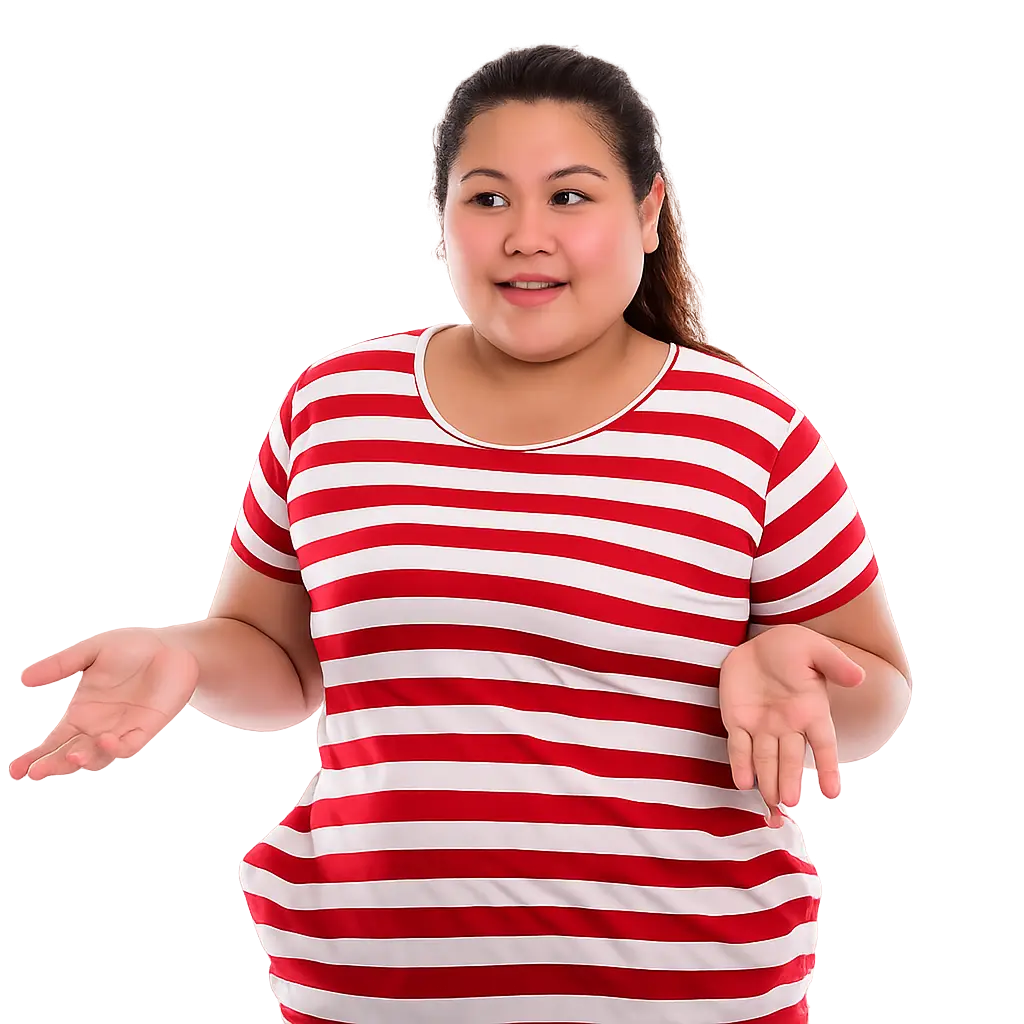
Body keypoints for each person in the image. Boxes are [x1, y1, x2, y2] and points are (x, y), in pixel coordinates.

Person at [10, 44, 911, 1024]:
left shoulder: (749, 429)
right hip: (364, 992)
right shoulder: (333, 403)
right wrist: (182, 654)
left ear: (647, 214)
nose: (526, 236)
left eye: (570, 197)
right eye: (487, 200)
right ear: (439, 224)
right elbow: (275, 654)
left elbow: (879, 689)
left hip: (691, 995)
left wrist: (796, 664)